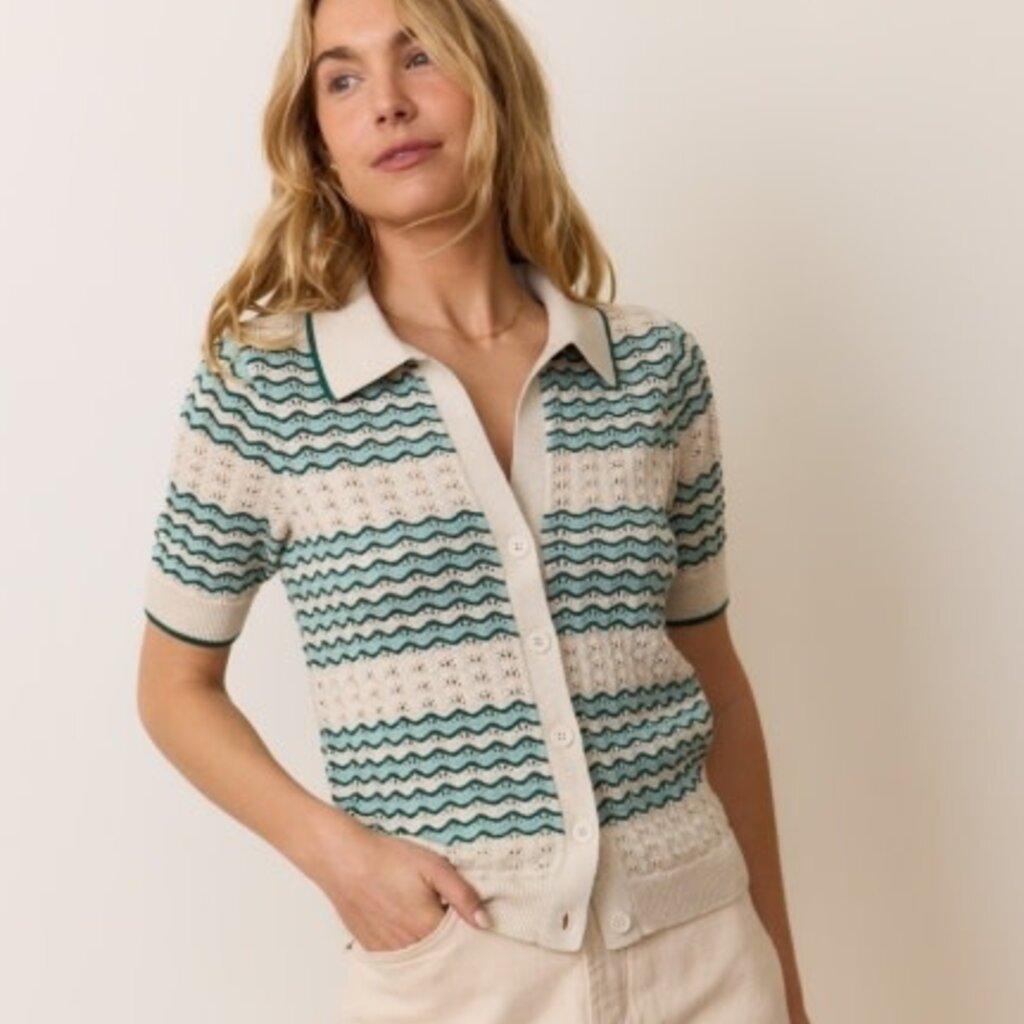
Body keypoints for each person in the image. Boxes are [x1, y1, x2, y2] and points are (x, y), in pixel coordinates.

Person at [136, 0, 810, 1021]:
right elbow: (173, 686)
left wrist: (783, 979)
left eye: (421, 58)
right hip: (455, 970)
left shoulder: (652, 369)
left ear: (492, 84)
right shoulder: (263, 392)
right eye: (343, 79)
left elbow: (715, 680)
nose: (388, 103)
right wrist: (341, 858)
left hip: (704, 954)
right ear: (318, 141)